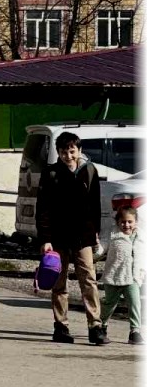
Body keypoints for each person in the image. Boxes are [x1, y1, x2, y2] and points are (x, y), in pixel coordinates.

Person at [36, 131, 103, 345]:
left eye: (72, 150)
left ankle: (95, 326)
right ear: (59, 153)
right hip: (58, 237)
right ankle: (61, 325)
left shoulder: (90, 171)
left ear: (79, 150)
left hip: (83, 236)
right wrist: (45, 238)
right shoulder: (51, 173)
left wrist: (95, 234)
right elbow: (43, 208)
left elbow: (95, 206)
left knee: (89, 280)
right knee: (59, 281)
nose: (68, 155)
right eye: (64, 151)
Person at [100, 207, 143, 345]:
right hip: (114, 276)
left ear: (136, 222)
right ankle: (102, 325)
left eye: (130, 221)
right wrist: (96, 247)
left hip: (133, 277)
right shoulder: (112, 234)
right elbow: (102, 248)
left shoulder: (141, 237)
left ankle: (135, 331)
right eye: (123, 222)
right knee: (109, 304)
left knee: (135, 303)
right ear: (118, 222)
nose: (127, 225)